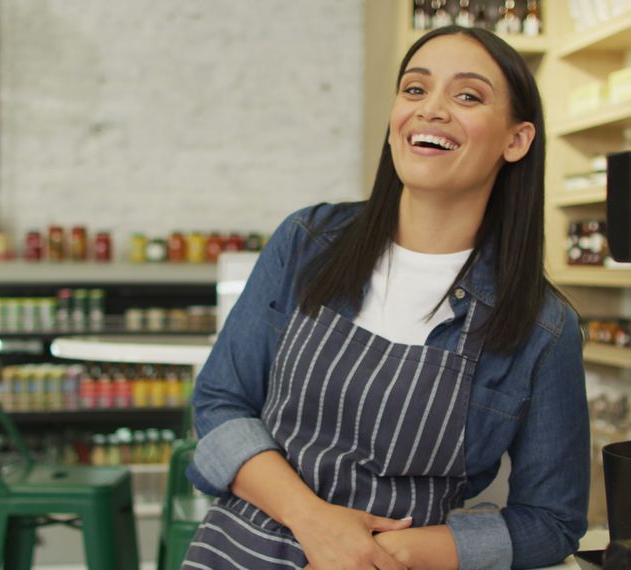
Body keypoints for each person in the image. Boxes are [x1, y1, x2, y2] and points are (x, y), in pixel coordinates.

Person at [182, 25, 589, 570]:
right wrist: (313, 520)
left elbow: (551, 521)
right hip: (240, 553)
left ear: (516, 140)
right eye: (415, 90)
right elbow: (219, 402)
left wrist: (385, 552)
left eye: (467, 96)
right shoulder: (309, 242)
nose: (432, 110)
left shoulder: (543, 327)